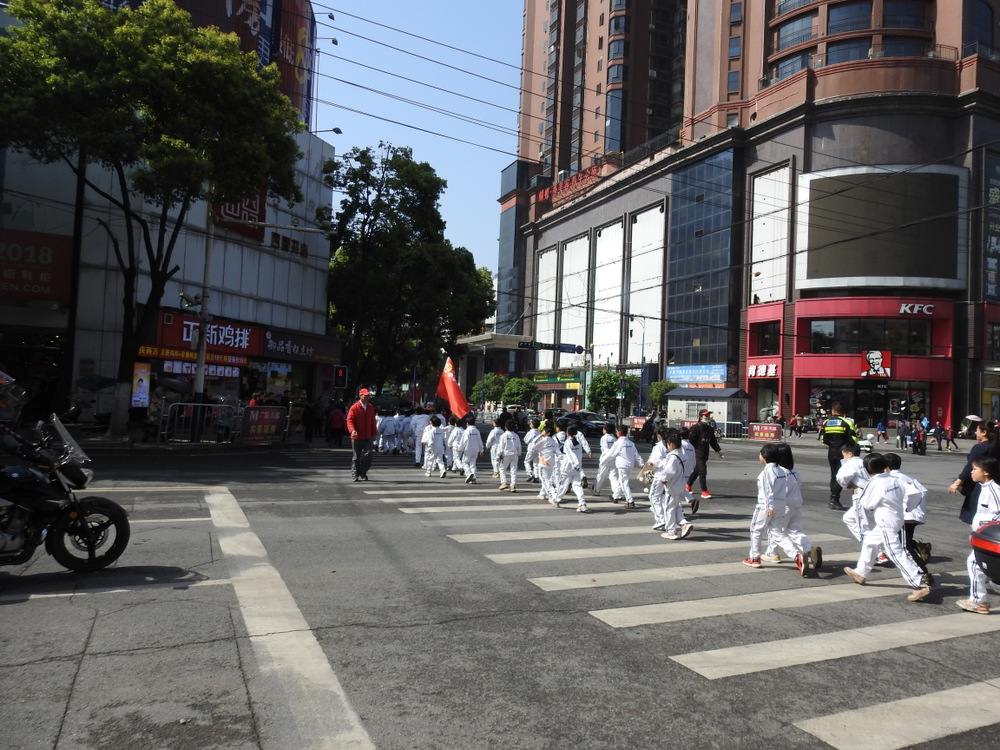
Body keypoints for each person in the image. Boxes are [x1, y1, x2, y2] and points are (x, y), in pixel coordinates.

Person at [843, 453, 932, 602]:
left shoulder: (874, 482)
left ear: (867, 471)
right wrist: (908, 507)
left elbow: (867, 504)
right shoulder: (895, 479)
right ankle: (861, 572)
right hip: (897, 518)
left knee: (895, 552)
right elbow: (916, 493)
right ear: (885, 466)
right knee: (870, 541)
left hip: (886, 521)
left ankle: (919, 584)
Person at [743, 443, 812, 575]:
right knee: (778, 533)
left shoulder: (766, 472)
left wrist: (768, 506)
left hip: (765, 506)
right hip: (780, 505)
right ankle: (797, 556)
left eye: (760, 454)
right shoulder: (782, 471)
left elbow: (767, 491)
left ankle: (754, 558)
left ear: (764, 456)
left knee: (756, 530)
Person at [957, 455, 1000, 614]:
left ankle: (978, 601)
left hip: (990, 540)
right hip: (983, 539)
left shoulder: (994, 490)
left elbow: (998, 515)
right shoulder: (983, 488)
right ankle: (978, 600)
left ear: (986, 472)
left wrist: (985, 531)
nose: (971, 472)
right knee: (977, 565)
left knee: (975, 564)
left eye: (975, 469)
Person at [884, 452, 934, 584]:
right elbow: (923, 491)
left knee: (904, 547)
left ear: (886, 467)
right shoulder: (908, 477)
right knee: (902, 541)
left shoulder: (892, 479)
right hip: (914, 513)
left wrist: (907, 508)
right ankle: (917, 547)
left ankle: (924, 573)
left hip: (906, 515)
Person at [948, 420, 1000, 524]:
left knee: (978, 516)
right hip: (995, 482)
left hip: (979, 486)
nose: (976, 432)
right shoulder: (996, 446)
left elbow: (969, 467)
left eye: (977, 430)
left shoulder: (980, 448)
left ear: (984, 432)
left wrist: (957, 483)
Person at [653, 430, 694, 540]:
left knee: (669, 509)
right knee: (675, 507)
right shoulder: (682, 455)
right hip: (680, 485)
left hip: (672, 486)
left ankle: (671, 531)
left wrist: (662, 479)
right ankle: (684, 524)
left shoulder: (672, 457)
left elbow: (669, 471)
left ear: (671, 444)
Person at [818, 402, 856, 510]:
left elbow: (824, 439)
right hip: (844, 453)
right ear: (843, 412)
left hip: (832, 452)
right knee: (841, 475)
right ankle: (834, 499)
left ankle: (833, 498)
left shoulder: (826, 422)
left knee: (834, 475)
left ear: (833, 411)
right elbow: (853, 439)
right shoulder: (847, 422)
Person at [836, 441, 870, 543]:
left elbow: (841, 478)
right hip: (869, 492)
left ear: (850, 454)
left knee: (861, 524)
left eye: (844, 454)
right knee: (848, 518)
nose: (843, 457)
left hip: (860, 493)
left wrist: (846, 485)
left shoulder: (850, 463)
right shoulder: (863, 462)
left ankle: (874, 548)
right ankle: (872, 546)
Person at [686, 410, 723, 500]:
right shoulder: (695, 428)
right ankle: (704, 491)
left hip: (705, 453)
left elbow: (713, 441)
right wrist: (689, 452)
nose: (707, 417)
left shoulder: (710, 429)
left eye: (708, 416)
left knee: (697, 471)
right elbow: (689, 441)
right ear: (700, 417)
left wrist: (718, 451)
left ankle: (688, 485)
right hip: (696, 453)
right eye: (705, 416)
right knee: (703, 470)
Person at [554, 424, 591, 512]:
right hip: (577, 468)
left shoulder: (568, 443)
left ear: (567, 433)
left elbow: (571, 456)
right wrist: (578, 466)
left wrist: (576, 464)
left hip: (568, 467)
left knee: (564, 485)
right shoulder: (578, 442)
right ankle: (582, 503)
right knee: (577, 486)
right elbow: (578, 455)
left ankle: (557, 500)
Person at [607, 425, 644, 509]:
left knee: (624, 483)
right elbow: (636, 455)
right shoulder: (631, 443)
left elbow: (611, 454)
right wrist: (641, 464)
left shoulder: (618, 443)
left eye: (617, 431)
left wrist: (604, 462)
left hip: (622, 466)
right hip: (630, 465)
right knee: (622, 481)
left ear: (619, 432)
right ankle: (615, 496)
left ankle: (630, 501)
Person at [346, 388, 377, 482]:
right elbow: (349, 420)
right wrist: (352, 430)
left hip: (368, 436)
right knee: (356, 456)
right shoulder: (354, 407)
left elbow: (373, 421)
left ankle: (363, 472)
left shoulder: (370, 407)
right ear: (360, 396)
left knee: (368, 455)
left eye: (368, 396)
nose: (367, 397)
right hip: (357, 436)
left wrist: (374, 433)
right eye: (365, 395)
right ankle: (355, 474)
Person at [592, 422, 617, 497]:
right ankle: (616, 492)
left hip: (605, 459)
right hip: (613, 460)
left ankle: (597, 490)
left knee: (601, 475)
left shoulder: (604, 438)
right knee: (613, 476)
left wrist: (608, 455)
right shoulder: (615, 439)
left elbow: (605, 449)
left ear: (605, 430)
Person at [497, 420, 522, 492]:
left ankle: (504, 482)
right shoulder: (516, 436)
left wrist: (498, 455)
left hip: (506, 454)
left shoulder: (504, 435)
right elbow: (519, 446)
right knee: (514, 470)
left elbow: (501, 447)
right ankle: (513, 485)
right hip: (514, 454)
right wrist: (519, 453)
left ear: (505, 427)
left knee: (502, 468)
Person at [459, 417, 485, 484]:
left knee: (464, 462)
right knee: (473, 464)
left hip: (468, 449)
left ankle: (469, 473)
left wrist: (460, 448)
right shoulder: (477, 431)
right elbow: (479, 441)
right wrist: (481, 450)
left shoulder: (466, 431)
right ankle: (474, 478)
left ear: (467, 423)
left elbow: (463, 441)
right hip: (476, 449)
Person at [522, 417, 542, 483]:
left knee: (526, 461)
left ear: (532, 425)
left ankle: (530, 474)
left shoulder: (530, 432)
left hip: (531, 449)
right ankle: (536, 477)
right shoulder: (540, 433)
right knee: (536, 463)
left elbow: (526, 440)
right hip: (538, 450)